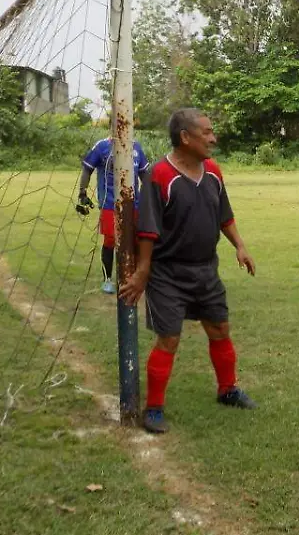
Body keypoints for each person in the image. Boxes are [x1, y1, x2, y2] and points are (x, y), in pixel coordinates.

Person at [120, 108, 258, 435]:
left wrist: (240, 245)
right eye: (206, 132)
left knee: (220, 328)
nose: (213, 138)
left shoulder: (213, 172)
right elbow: (148, 230)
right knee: (169, 338)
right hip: (168, 274)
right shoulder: (158, 176)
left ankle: (227, 390)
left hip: (206, 270)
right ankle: (154, 409)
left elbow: (224, 215)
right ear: (185, 137)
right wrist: (143, 272)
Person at [76, 133, 149, 293]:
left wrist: (150, 196)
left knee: (135, 240)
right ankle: (107, 279)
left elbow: (145, 174)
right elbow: (87, 169)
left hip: (133, 204)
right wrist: (82, 192)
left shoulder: (136, 147)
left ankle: (134, 277)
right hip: (109, 203)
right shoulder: (102, 146)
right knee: (110, 239)